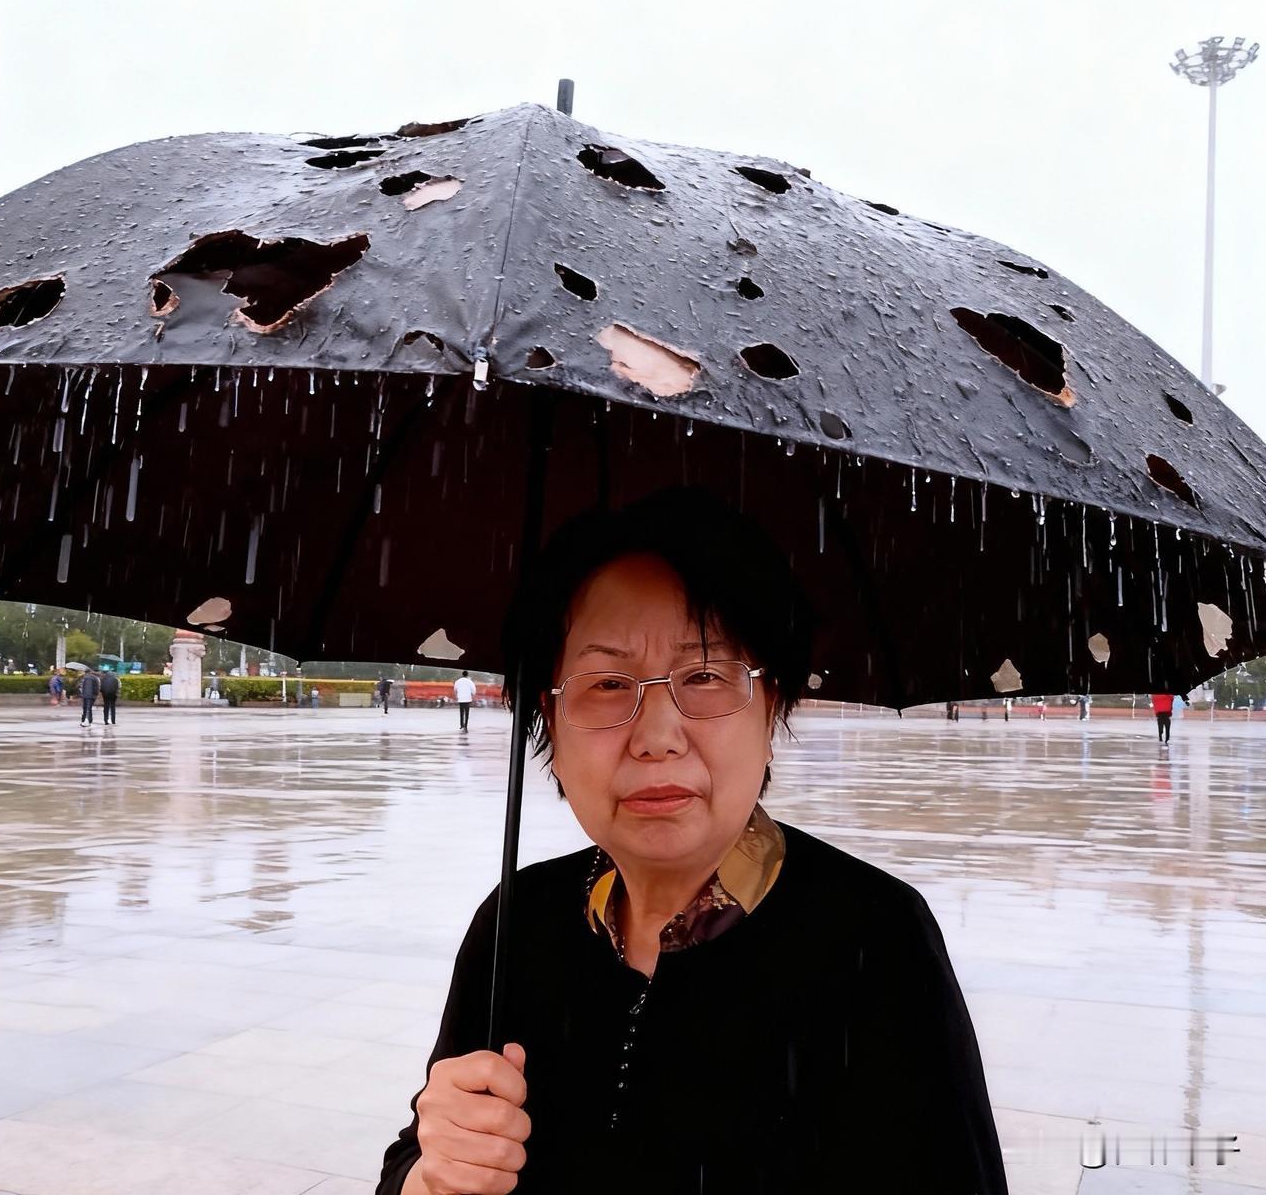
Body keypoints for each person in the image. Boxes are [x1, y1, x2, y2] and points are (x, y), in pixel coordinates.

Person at [377, 489, 1007, 1195]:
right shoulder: (517, 921)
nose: (656, 736)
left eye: (704, 675)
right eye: (608, 682)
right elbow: (412, 1161)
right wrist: (432, 1176)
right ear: (547, 714)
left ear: (774, 704)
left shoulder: (876, 940)